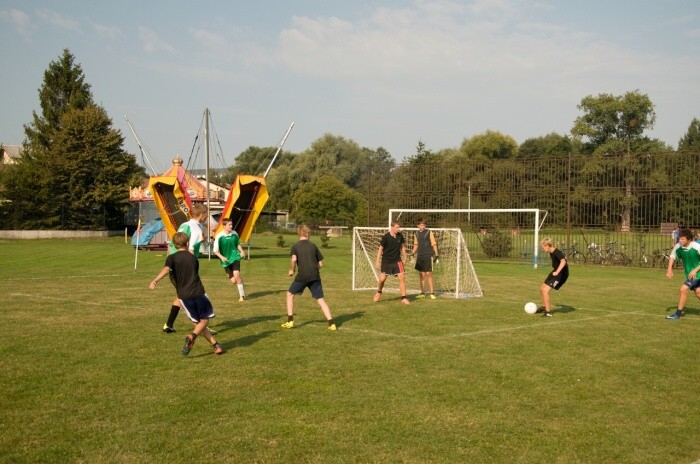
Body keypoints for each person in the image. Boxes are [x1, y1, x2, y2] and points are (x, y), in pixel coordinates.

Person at [149, 232, 224, 356]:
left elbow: (167, 270)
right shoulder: (193, 258)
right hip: (198, 292)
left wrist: (155, 280)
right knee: (205, 320)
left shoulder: (171, 258)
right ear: (187, 243)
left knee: (198, 324)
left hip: (184, 297)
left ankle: (216, 345)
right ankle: (192, 336)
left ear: (174, 244)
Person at [162, 203, 210, 334]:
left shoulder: (185, 225)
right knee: (194, 295)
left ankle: (169, 324)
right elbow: (190, 249)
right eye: (206, 214)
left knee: (182, 295)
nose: (207, 217)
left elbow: (174, 243)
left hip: (175, 265)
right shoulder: (196, 228)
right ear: (201, 215)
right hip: (184, 267)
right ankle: (200, 325)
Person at [281, 225, 337, 331]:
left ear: (299, 234)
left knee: (290, 294)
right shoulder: (313, 246)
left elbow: (293, 259)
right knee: (320, 299)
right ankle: (331, 323)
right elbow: (320, 264)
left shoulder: (295, 246)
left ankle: (290, 321)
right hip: (315, 276)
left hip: (302, 276)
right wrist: (314, 271)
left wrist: (292, 270)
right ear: (308, 234)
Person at [665, 228, 700, 320]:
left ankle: (677, 314)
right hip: (691, 274)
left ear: (689, 239)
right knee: (698, 293)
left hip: (697, 274)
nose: (680, 240)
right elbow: (672, 256)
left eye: (683, 239)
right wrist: (669, 269)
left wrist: (695, 270)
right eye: (680, 238)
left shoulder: (696, 247)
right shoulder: (678, 247)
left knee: (683, 289)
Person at [374, 221, 410, 305]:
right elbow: (380, 249)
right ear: (392, 227)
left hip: (397, 260)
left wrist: (405, 258)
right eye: (396, 227)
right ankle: (379, 292)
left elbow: (402, 247)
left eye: (398, 227)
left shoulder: (400, 236)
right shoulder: (385, 237)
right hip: (386, 261)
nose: (398, 229)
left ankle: (404, 298)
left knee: (401, 277)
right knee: (382, 279)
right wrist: (377, 261)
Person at [212, 218, 246, 302]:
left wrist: (242, 251)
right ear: (224, 226)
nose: (231, 226)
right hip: (225, 261)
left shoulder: (235, 234)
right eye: (229, 225)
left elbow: (237, 244)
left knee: (236, 275)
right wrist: (222, 257)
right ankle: (240, 282)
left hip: (235, 257)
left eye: (231, 224)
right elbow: (215, 251)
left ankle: (242, 296)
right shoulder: (219, 236)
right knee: (234, 280)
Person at [539, 237, 569, 317]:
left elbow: (563, 261)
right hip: (555, 271)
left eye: (543, 247)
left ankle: (548, 312)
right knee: (542, 288)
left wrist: (557, 272)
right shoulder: (552, 252)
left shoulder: (556, 252)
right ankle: (544, 307)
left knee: (545, 290)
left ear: (547, 245)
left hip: (561, 274)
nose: (542, 249)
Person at [411, 219, 439, 299]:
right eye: (421, 225)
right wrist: (412, 254)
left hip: (428, 255)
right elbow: (416, 245)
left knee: (428, 274)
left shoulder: (429, 232)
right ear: (418, 225)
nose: (422, 226)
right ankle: (422, 292)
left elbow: (434, 244)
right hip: (420, 256)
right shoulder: (416, 233)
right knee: (421, 275)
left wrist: (436, 255)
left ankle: (432, 293)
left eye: (424, 225)